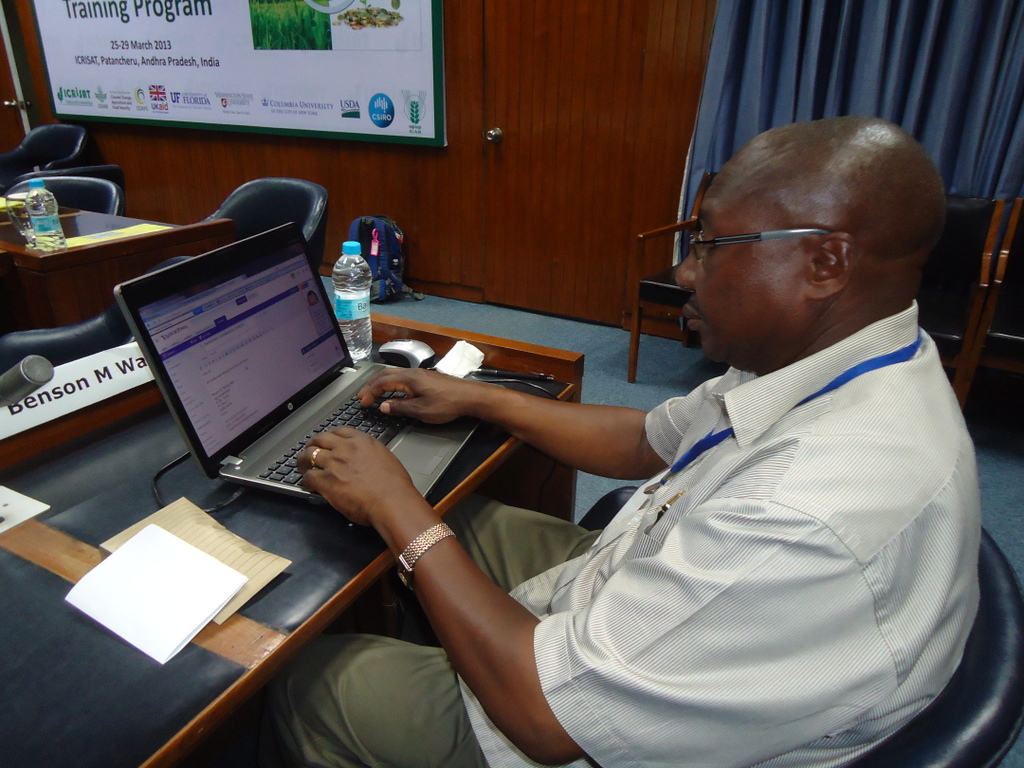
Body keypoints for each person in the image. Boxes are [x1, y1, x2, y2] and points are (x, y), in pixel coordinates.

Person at [260, 116, 980, 768]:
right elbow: (645, 439)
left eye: (710, 245)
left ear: (826, 263)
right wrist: (478, 397)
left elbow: (546, 723)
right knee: (455, 518)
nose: (685, 272)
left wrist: (397, 508)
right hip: (640, 588)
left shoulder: (805, 509)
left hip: (568, 724)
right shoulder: (832, 360)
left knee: (311, 681)